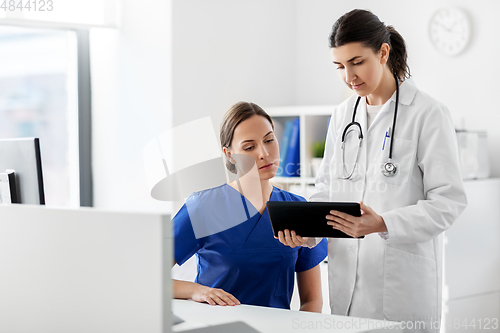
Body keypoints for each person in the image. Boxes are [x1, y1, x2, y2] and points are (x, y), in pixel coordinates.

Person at [277, 9, 467, 332]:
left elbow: (449, 203)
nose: (348, 76)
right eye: (339, 66)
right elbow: (326, 188)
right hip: (345, 289)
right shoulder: (342, 116)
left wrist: (383, 223)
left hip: (402, 292)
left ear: (383, 52)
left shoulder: (428, 114)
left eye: (357, 62)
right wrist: (307, 231)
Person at [172, 101, 328, 312]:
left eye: (269, 140)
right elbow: (149, 276)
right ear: (229, 155)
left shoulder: (299, 210)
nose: (264, 153)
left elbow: (312, 301)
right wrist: (196, 290)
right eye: (249, 147)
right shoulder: (202, 208)